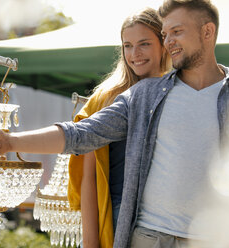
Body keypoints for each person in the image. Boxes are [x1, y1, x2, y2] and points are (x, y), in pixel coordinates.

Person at [0, 0, 229, 247]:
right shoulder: (144, 95)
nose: (169, 42)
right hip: (148, 238)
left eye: (176, 32)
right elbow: (82, 133)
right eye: (165, 34)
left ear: (207, 31)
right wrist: (11, 141)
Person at [68, 7, 170, 248]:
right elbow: (90, 177)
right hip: (115, 215)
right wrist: (91, 241)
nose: (134, 54)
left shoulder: (178, 93)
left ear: (163, 43)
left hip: (166, 223)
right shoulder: (107, 98)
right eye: (127, 45)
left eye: (144, 44)